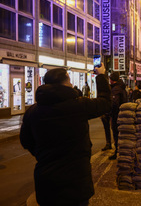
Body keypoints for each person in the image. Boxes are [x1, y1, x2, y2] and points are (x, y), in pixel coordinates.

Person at [20, 65, 111, 206]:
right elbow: (105, 103)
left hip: (46, 182)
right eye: (69, 81)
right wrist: (101, 76)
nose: (71, 84)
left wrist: (42, 154)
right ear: (65, 82)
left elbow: (26, 141)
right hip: (75, 182)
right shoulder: (79, 106)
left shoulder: (33, 112)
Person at [101, 72, 127, 159]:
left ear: (112, 80)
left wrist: (110, 113)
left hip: (116, 115)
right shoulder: (122, 87)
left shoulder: (116, 89)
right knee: (121, 134)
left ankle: (117, 152)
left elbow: (115, 104)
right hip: (122, 114)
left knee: (116, 134)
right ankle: (121, 151)